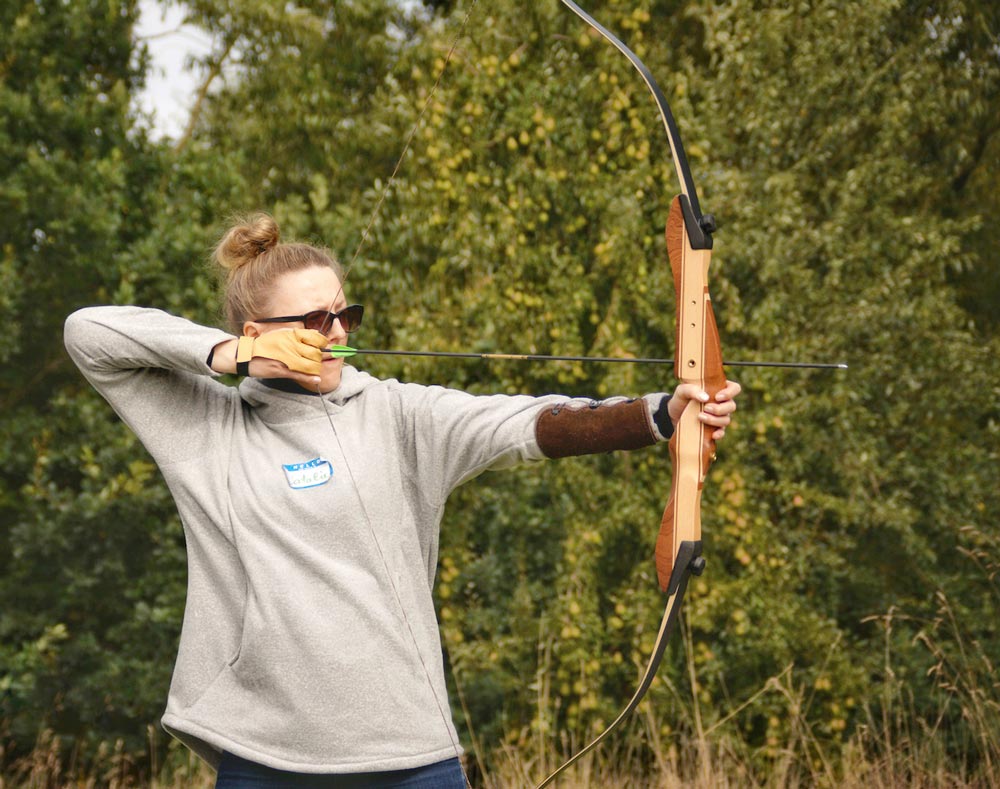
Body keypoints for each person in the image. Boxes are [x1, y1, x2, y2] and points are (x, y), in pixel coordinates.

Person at [63, 213, 741, 788]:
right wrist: (225, 355)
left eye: (342, 314)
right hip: (265, 754)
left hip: (410, 753)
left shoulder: (397, 414)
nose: (334, 332)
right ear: (257, 332)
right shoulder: (209, 428)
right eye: (310, 321)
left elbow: (525, 423)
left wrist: (661, 411)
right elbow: (88, 333)